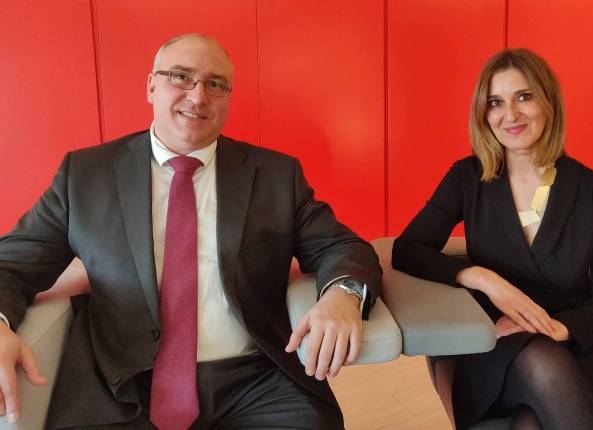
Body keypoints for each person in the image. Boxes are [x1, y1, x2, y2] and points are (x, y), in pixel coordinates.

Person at [0, 33, 382, 429]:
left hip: (256, 381)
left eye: (216, 84)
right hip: (119, 384)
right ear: (151, 86)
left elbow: (341, 246)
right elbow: (11, 264)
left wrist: (343, 295)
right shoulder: (84, 176)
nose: (198, 97)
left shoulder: (275, 175)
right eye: (180, 77)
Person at [392, 48, 593, 430]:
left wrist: (557, 328)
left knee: (530, 422)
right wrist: (483, 277)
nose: (510, 114)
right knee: (542, 365)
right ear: (484, 114)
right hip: (498, 343)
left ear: (548, 102)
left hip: (573, 340)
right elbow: (407, 250)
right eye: (496, 102)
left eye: (524, 96)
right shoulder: (466, 178)